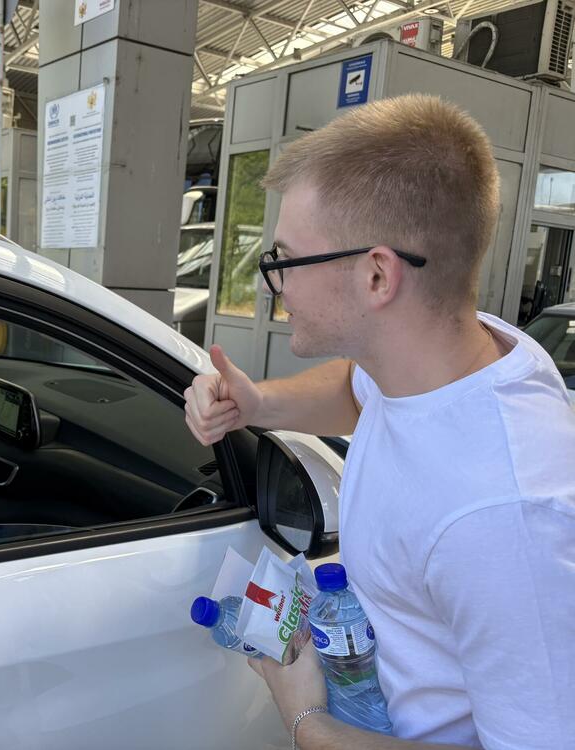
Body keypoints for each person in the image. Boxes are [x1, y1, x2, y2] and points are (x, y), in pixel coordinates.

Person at [184, 95, 574, 749]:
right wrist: (259, 404)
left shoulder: (503, 515)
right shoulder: (459, 353)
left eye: (283, 261)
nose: (271, 285)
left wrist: (308, 723)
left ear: (375, 276)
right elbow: (360, 389)